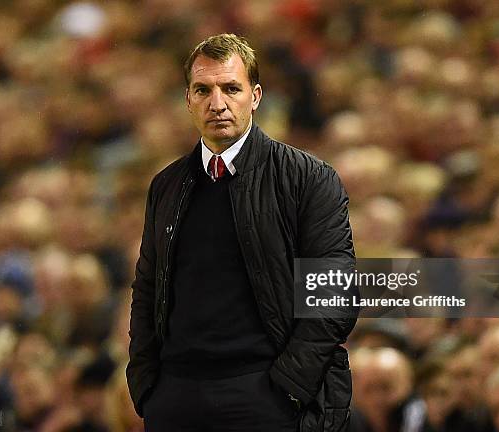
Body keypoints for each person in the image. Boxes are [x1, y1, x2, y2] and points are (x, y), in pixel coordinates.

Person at [126, 33, 357, 432]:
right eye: (203, 90)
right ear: (188, 99)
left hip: (266, 396)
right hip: (176, 399)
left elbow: (333, 293)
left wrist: (288, 387)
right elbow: (147, 287)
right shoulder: (165, 184)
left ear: (256, 96)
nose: (217, 103)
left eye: (231, 88)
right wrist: (148, 384)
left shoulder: (309, 178)